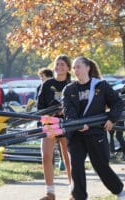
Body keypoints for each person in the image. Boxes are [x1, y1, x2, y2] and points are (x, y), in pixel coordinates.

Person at [63, 56, 125, 200]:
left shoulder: (101, 85)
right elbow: (68, 111)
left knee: (101, 166)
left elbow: (118, 103)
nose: (75, 70)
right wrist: (78, 124)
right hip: (76, 135)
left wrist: (112, 119)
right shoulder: (69, 89)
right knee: (77, 167)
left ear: (88, 68)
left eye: (78, 66)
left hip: (96, 132)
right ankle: (79, 197)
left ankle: (120, 192)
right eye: (74, 67)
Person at [37, 56, 72, 200]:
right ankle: (50, 192)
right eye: (57, 64)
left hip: (67, 124)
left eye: (63, 64)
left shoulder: (72, 84)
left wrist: (65, 111)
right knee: (46, 156)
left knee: (68, 157)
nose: (59, 67)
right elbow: (40, 106)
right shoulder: (47, 84)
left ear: (68, 68)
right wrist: (50, 113)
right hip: (49, 123)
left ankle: (74, 190)